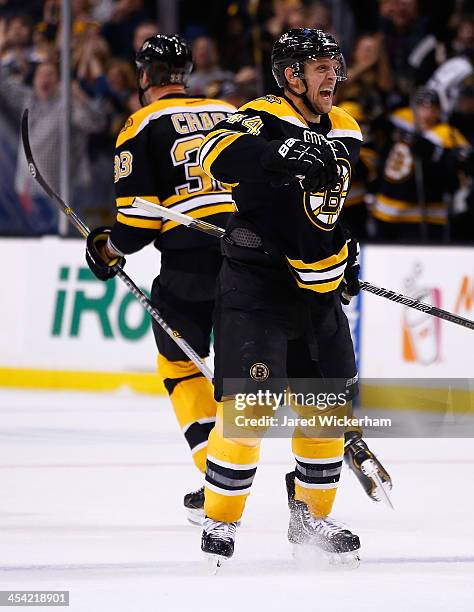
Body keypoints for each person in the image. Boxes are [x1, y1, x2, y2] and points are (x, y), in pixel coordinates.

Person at [197, 28, 391, 567]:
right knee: (248, 412)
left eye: (334, 64)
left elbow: (328, 207)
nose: (332, 74)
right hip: (257, 287)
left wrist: (342, 250)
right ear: (290, 75)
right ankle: (221, 519)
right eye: (319, 66)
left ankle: (310, 517)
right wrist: (284, 153)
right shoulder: (261, 114)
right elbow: (217, 157)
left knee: (325, 414)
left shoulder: (346, 127)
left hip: (318, 293)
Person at [84, 34, 236, 523]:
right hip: (254, 254)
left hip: (191, 263)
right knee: (260, 370)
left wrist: (108, 250)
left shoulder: (139, 124)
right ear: (186, 72)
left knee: (180, 364)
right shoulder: (230, 110)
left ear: (143, 76)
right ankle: (312, 474)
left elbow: (138, 225)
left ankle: (216, 479)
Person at [371, 87, 469, 242]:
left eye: (432, 108)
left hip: (427, 216)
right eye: (422, 107)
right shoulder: (399, 124)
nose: (427, 113)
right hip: (387, 212)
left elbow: (455, 176)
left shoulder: (448, 135)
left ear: (439, 111)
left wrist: (434, 153)